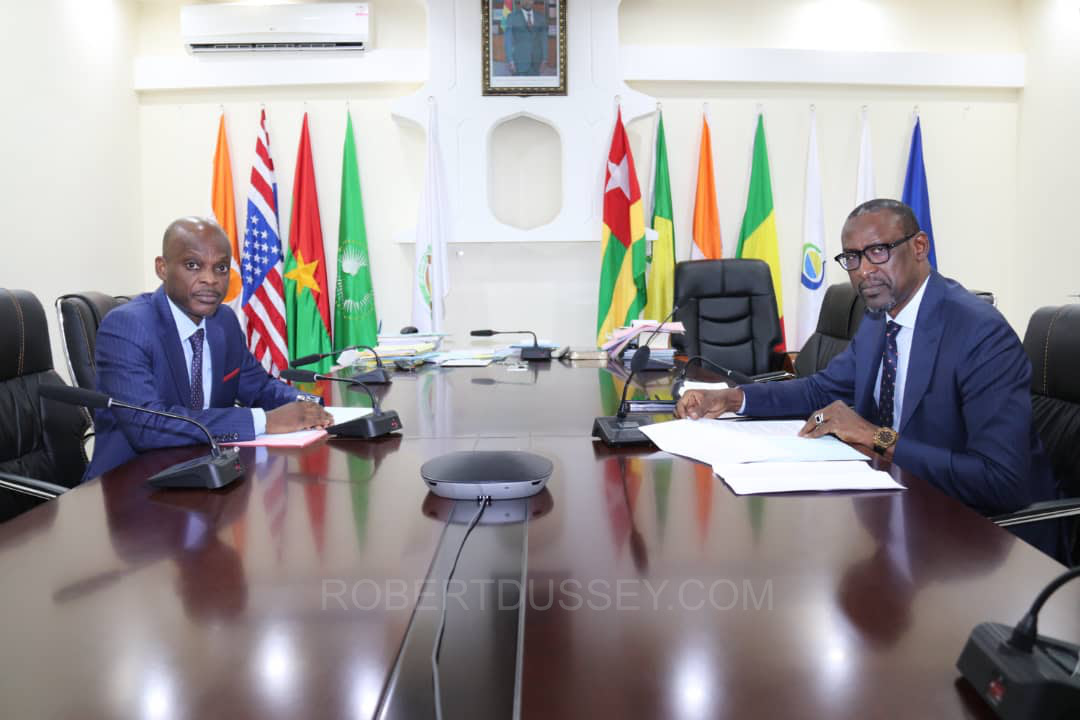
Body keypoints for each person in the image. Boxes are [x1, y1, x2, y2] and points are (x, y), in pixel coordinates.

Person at [675, 199, 1059, 556]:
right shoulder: (880, 319)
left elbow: (1000, 480)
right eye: (853, 258)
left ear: (920, 246)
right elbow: (822, 388)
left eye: (878, 251)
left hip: (987, 540)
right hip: (904, 505)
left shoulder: (979, 333)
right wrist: (730, 399)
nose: (863, 271)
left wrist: (874, 437)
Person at [85, 217, 333, 478]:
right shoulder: (127, 327)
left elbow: (258, 387)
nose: (210, 280)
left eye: (221, 268)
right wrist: (266, 421)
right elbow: (150, 427)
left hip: (205, 474)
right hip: (130, 487)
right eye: (193, 265)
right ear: (162, 268)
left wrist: (309, 406)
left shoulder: (222, 321)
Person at [504, 0, 548, 76]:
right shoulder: (512, 17)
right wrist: (510, 60)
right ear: (520, 1)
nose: (527, 1)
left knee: (535, 86)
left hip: (536, 61)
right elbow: (508, 41)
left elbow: (544, 40)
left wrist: (545, 58)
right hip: (519, 61)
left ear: (533, 1)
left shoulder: (541, 17)